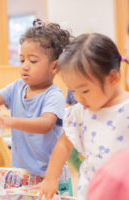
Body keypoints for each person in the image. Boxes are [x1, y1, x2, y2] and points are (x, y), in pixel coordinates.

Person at [0, 19, 72, 190]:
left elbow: (46, 124)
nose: (25, 66)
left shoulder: (54, 95)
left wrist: (9, 121)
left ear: (54, 67)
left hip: (52, 177)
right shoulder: (17, 87)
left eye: (33, 61)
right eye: (22, 60)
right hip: (23, 173)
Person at [31, 33, 129, 200]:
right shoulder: (80, 112)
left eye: (84, 91)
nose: (78, 98)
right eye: (73, 91)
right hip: (90, 191)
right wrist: (50, 178)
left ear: (112, 78)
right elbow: (63, 145)